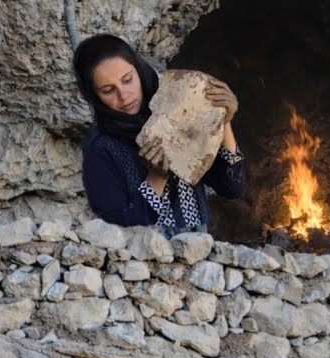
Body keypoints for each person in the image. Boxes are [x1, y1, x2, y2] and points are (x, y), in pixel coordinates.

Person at [74, 33, 245, 235]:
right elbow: (114, 229)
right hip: (148, 262)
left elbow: (231, 188)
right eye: (108, 90)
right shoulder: (101, 148)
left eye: (127, 80)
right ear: (94, 96)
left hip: (199, 252)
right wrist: (156, 179)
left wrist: (223, 119)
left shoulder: (175, 112)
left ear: (138, 70)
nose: (123, 94)